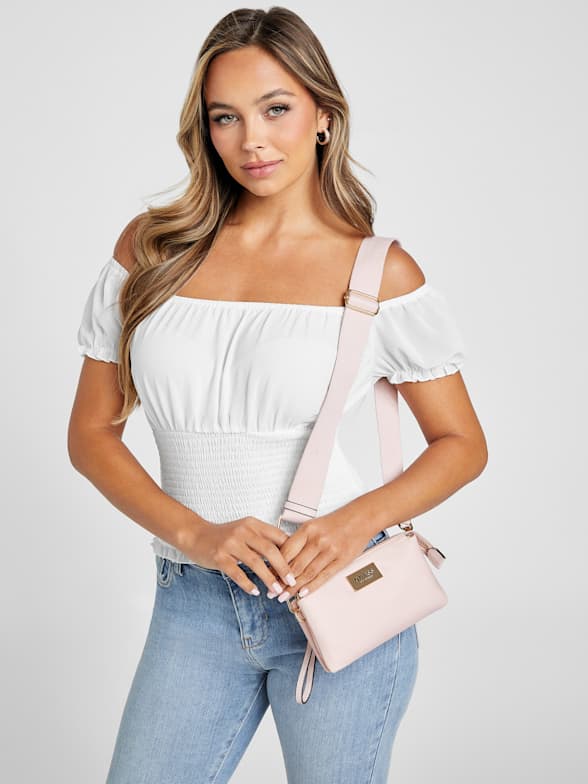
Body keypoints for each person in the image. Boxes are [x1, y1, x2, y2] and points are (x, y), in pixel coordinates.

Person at [68, 7, 488, 783]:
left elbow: (463, 445)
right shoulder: (152, 250)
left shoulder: (377, 272)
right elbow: (92, 434)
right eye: (225, 116)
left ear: (323, 116)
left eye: (276, 109)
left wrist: (352, 524)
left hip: (339, 594)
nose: (251, 141)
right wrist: (197, 535)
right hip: (191, 601)